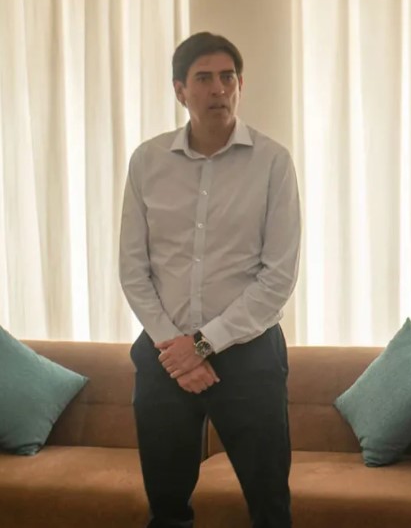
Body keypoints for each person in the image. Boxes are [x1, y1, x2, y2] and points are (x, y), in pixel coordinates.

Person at [119, 32, 301, 528]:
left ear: (240, 85)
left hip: (249, 355)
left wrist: (200, 345)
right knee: (166, 509)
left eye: (227, 77)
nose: (218, 88)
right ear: (180, 90)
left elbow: (278, 276)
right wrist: (175, 348)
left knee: (270, 505)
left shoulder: (273, 162)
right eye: (203, 78)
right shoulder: (147, 161)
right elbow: (133, 269)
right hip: (164, 355)